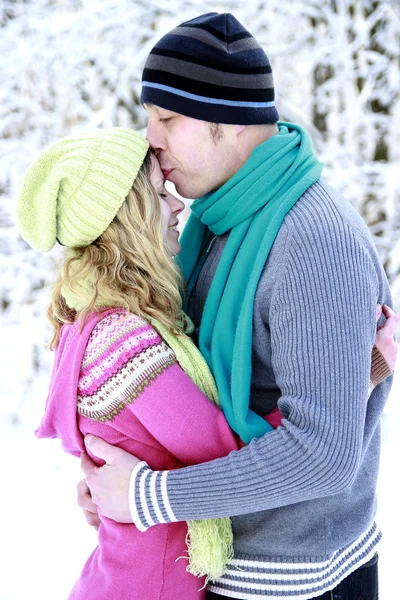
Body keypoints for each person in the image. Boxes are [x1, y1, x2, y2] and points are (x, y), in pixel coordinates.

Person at [78, 12, 399, 600]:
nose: (150, 138)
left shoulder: (313, 244)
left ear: (226, 117)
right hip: (215, 564)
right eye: (149, 117)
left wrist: (151, 497)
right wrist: (115, 482)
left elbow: (321, 453)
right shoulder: (215, 221)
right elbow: (195, 392)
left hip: (293, 584)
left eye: (167, 118)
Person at [17, 127, 250, 599]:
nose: (178, 206)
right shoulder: (121, 340)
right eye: (160, 194)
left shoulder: (91, 317)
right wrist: (353, 380)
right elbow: (224, 449)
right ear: (128, 215)